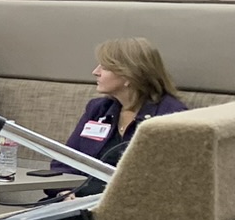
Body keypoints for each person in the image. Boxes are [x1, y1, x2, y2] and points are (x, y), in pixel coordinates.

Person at [59, 38, 186, 179]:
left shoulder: (170, 116)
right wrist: (64, 189)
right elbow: (65, 162)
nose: (95, 72)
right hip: (79, 191)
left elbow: (171, 177)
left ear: (129, 75)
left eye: (105, 67)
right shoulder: (98, 109)